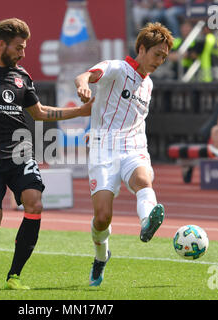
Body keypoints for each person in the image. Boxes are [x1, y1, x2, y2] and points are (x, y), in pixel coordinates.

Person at [0, 18, 94, 290]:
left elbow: (40, 113)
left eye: (24, 48)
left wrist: (80, 111)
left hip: (20, 154)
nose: (23, 54)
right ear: (1, 45)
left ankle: (14, 276)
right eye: (18, 48)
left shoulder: (22, 76)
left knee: (34, 203)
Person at [74, 22, 173, 286]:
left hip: (134, 147)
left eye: (164, 57)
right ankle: (101, 256)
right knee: (103, 216)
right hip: (103, 148)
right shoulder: (117, 68)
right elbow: (85, 76)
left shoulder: (148, 84)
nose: (160, 61)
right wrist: (83, 85)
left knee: (143, 181)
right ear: (142, 48)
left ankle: (147, 221)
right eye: (157, 55)